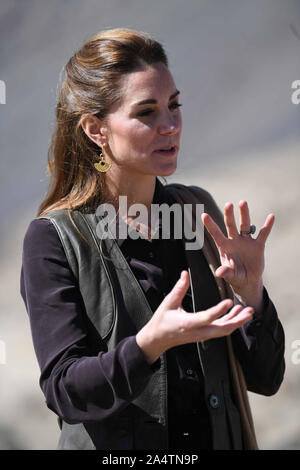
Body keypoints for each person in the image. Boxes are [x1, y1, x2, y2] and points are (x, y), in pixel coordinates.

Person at [20, 28, 285, 451]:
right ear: (96, 130)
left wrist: (250, 293)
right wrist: (148, 345)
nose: (170, 125)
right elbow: (65, 392)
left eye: (174, 105)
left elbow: (267, 378)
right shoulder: (54, 239)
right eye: (146, 112)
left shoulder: (199, 215)